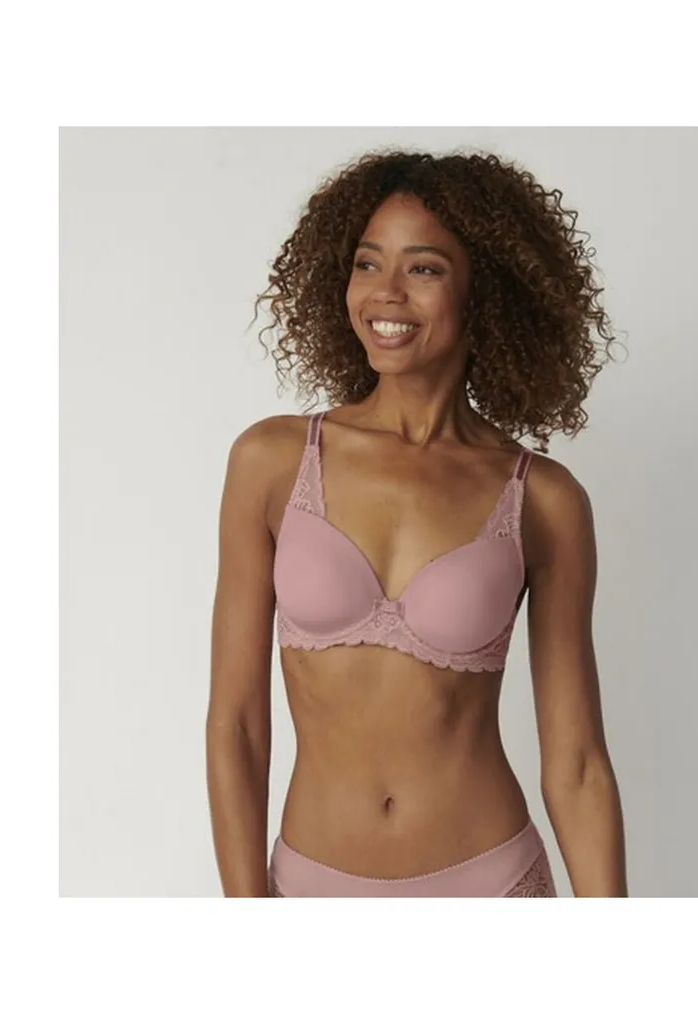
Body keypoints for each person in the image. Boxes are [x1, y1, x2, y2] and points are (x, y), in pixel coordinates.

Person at [206, 149, 628, 897]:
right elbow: (237, 724)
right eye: (367, 264)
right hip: (310, 888)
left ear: (485, 291)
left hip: (493, 883)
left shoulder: (543, 499)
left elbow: (577, 765)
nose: (386, 293)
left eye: (424, 268)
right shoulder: (272, 461)